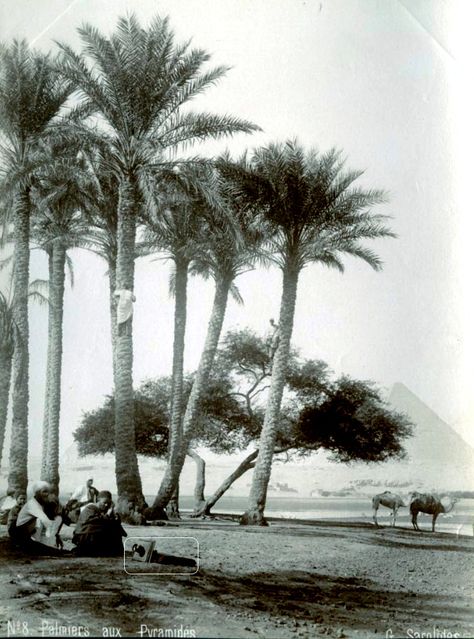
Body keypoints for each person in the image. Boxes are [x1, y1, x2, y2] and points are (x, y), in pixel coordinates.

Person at [9, 481, 66, 555]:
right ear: (37, 493)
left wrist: (56, 535)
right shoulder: (33, 505)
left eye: (48, 492)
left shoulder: (41, 503)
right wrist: (55, 534)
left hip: (26, 532)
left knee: (42, 548)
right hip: (18, 532)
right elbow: (45, 520)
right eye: (44, 492)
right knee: (41, 550)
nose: (47, 494)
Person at [72, 490, 127, 556]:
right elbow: (94, 521)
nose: (106, 505)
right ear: (98, 501)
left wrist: (115, 517)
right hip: (85, 536)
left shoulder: (105, 510)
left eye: (109, 503)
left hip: (96, 536)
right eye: (104, 503)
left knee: (113, 526)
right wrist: (107, 516)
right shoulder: (89, 509)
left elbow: (112, 522)